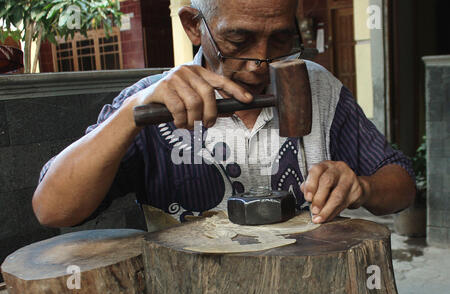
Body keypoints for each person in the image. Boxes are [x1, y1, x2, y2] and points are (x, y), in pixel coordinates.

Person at [32, 0, 416, 228]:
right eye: (239, 40)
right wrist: (132, 114)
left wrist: (361, 188)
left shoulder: (319, 87)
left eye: (281, 40)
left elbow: (400, 183)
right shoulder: (148, 103)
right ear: (194, 26)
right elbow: (52, 210)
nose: (260, 64)